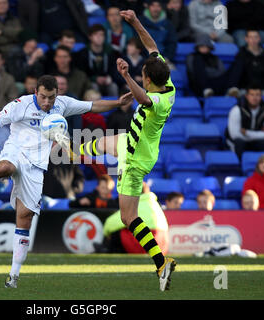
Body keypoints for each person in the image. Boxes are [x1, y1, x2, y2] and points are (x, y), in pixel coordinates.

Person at [0, 75, 133, 289]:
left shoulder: (63, 104)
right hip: (16, 151)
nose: (47, 102)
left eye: (51, 97)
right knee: (4, 168)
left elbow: (93, 105)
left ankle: (13, 276)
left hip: (36, 166)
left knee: (24, 218)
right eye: (43, 97)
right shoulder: (21, 104)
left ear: (56, 94)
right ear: (35, 92)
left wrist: (118, 103)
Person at [76, 9, 176, 291]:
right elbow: (152, 46)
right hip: (132, 139)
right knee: (102, 142)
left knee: (127, 217)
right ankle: (63, 146)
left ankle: (161, 262)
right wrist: (134, 22)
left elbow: (144, 100)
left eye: (142, 74)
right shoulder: (165, 81)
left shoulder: (158, 100)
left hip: (135, 158)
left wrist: (126, 76)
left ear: (147, 79)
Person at [99, 182, 169, 255]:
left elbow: (110, 223)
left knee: (118, 230)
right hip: (161, 247)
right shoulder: (154, 204)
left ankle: (108, 251)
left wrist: (105, 234)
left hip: (143, 247)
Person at [225, 87, 264, 159]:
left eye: (257, 95)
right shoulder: (236, 110)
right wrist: (259, 134)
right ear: (246, 96)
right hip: (238, 142)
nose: (255, 98)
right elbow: (235, 135)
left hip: (253, 140)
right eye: (252, 95)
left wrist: (247, 133)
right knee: (239, 143)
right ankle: (239, 167)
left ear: (261, 97)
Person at [75, 24, 120, 97]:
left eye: (101, 35)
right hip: (90, 82)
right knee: (93, 87)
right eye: (96, 35)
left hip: (107, 82)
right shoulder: (83, 53)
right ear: (90, 37)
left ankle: (116, 107)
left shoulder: (110, 52)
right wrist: (94, 78)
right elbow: (81, 72)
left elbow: (114, 69)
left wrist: (110, 77)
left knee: (113, 86)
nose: (99, 38)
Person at [231, 30, 264, 96]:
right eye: (251, 37)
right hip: (245, 89)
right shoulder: (241, 54)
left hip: (262, 90)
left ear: (259, 39)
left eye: (255, 37)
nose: (253, 40)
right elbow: (236, 74)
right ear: (246, 39)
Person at [139, 0, 177, 66]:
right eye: (153, 5)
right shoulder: (140, 22)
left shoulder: (168, 24)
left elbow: (172, 43)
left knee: (174, 74)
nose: (155, 9)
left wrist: (166, 58)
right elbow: (137, 42)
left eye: (158, 6)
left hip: (164, 60)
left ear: (162, 8)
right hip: (144, 60)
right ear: (148, 7)